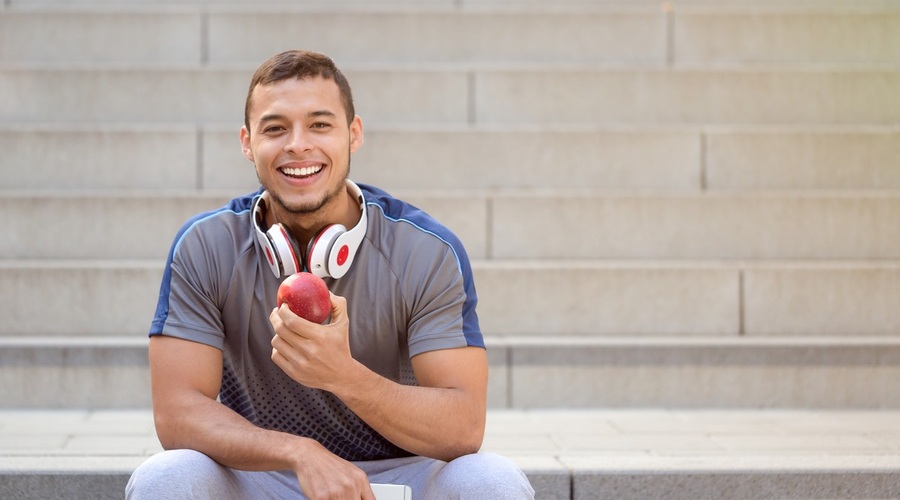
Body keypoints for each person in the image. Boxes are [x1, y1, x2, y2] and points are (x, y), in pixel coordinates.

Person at [125, 50, 534, 499]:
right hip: (267, 471)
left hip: (400, 475)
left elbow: (463, 428)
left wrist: (341, 374)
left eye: (320, 124)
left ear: (353, 134)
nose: (298, 144)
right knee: (165, 477)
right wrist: (300, 452)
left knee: (493, 481)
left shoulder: (426, 251)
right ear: (247, 142)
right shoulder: (205, 246)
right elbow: (177, 413)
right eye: (275, 128)